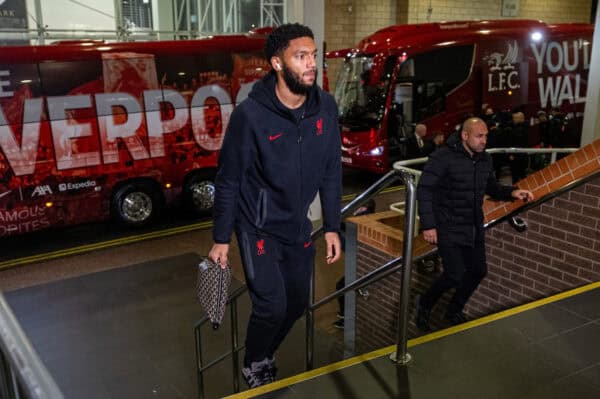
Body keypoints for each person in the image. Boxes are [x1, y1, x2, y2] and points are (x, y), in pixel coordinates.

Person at [208, 23, 342, 388]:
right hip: (257, 227)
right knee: (271, 305)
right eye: (301, 57)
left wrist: (332, 225)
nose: (311, 64)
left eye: (314, 55)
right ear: (278, 64)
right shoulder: (250, 116)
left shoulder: (325, 108)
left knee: (297, 303)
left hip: (296, 225)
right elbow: (229, 179)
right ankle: (254, 362)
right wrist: (222, 238)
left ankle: (265, 352)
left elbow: (331, 169)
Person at [415, 117, 534, 332]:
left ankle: (453, 310)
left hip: (473, 226)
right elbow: (424, 190)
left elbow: (492, 188)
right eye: (479, 136)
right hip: (447, 225)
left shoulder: (485, 160)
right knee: (454, 274)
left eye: (486, 136)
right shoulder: (443, 157)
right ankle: (424, 304)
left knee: (478, 270)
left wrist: (513, 192)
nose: (484, 141)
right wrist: (429, 225)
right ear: (465, 135)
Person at [333, 199, 376, 329]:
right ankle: (345, 316)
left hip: (363, 266)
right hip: (366, 263)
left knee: (342, 287)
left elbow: (348, 246)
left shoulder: (360, 220)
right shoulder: (368, 218)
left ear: (363, 208)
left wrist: (335, 233)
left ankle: (346, 318)